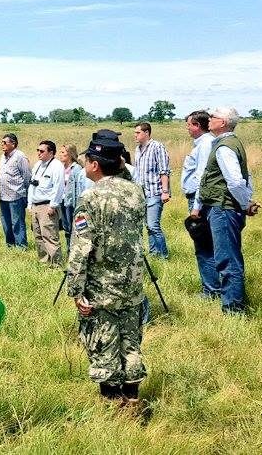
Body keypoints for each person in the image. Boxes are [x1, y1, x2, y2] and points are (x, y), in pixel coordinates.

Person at [66, 129, 148, 407]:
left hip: (102, 289)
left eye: (87, 160)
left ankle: (114, 410)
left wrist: (76, 291)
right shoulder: (136, 192)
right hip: (133, 285)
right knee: (131, 344)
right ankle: (133, 402)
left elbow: (80, 248)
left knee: (104, 346)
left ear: (95, 164)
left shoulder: (90, 198)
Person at [191, 107, 260, 314]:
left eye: (213, 117)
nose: (209, 120)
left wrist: (246, 203)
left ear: (223, 123)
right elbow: (246, 178)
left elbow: (236, 182)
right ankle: (233, 302)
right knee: (228, 256)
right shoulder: (230, 142)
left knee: (227, 259)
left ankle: (233, 309)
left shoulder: (224, 147)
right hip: (223, 208)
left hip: (223, 209)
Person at [182, 110, 218, 297]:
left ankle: (210, 290)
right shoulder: (205, 143)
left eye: (189, 124)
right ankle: (212, 287)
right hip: (200, 199)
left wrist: (196, 207)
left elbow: (202, 177)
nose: (187, 128)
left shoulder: (204, 145)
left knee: (203, 247)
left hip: (200, 201)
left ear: (197, 126)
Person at [133, 122, 172, 258]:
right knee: (148, 226)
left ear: (147, 133)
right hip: (142, 192)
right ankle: (154, 253)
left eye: (138, 133)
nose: (135, 135)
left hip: (155, 191)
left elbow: (164, 170)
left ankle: (163, 255)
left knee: (153, 224)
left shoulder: (157, 147)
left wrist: (165, 191)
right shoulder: (137, 149)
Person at [28, 140, 65, 266]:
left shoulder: (56, 166)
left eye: (42, 151)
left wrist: (53, 205)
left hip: (47, 205)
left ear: (51, 153)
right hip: (35, 205)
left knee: (50, 236)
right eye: (37, 150)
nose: (39, 153)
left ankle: (56, 264)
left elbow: (58, 187)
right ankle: (44, 261)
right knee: (38, 236)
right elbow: (32, 185)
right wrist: (29, 204)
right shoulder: (38, 165)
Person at [0, 133, 31, 249]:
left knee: (17, 222)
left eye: (5, 143)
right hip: (3, 195)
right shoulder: (3, 157)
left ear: (13, 144)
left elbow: (27, 176)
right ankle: (10, 245)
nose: (2, 145)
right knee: (6, 222)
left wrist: (25, 194)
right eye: (2, 142)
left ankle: (21, 246)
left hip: (16, 195)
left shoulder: (20, 157)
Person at [59, 143, 90, 254]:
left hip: (72, 203)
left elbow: (78, 188)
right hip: (63, 201)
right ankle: (69, 250)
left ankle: (76, 251)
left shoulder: (76, 168)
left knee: (75, 228)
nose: (60, 154)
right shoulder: (61, 167)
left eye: (63, 152)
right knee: (66, 228)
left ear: (70, 154)